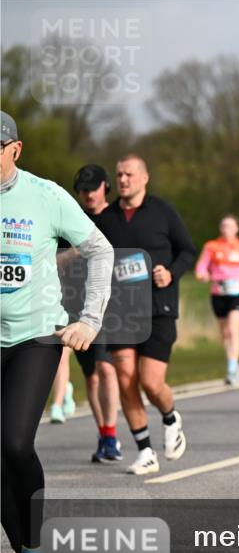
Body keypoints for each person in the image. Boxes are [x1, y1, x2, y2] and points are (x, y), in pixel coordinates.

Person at [1, 111, 113, 553]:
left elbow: (100, 249)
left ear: (15, 149)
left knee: (14, 442)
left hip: (36, 336)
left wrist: (89, 319)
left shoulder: (45, 196)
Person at [97, 154, 197, 475]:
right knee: (126, 377)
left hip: (158, 307)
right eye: (119, 174)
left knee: (152, 383)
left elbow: (188, 251)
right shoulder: (107, 218)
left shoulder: (162, 212)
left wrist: (171, 273)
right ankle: (145, 451)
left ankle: (170, 418)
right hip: (121, 310)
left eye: (129, 174)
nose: (123, 180)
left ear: (144, 178)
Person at [71, 164, 122, 462]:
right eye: (83, 189)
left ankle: (113, 437)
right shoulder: (71, 218)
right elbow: (55, 257)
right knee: (91, 377)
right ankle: (103, 434)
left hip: (112, 305)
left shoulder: (116, 219)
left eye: (93, 188)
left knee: (106, 368)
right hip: (77, 303)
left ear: (105, 187)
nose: (88, 194)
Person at [195, 214, 239, 385]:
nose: (226, 229)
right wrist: (202, 274)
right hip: (218, 292)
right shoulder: (211, 246)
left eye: (230, 226)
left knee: (233, 329)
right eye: (224, 226)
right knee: (225, 333)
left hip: (238, 291)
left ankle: (231, 368)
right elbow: (202, 266)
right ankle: (233, 363)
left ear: (237, 229)